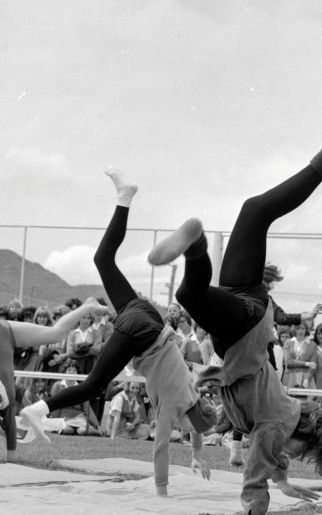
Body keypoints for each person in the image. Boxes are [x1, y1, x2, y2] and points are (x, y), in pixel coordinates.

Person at [144, 103, 322, 515]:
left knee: (254, 210)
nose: (289, 456)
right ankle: (197, 245)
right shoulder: (277, 426)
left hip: (245, 309)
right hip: (245, 329)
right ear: (302, 438)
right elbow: (258, 468)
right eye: (299, 456)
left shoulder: (282, 418)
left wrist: (284, 480)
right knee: (187, 293)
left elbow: (272, 455)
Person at [18, 170, 218, 495]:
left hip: (145, 312)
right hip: (144, 333)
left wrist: (197, 455)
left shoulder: (191, 394)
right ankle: (38, 410)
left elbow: (197, 426)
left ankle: (124, 196)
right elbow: (162, 450)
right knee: (94, 385)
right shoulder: (174, 406)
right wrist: (163, 493)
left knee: (102, 259)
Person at [0, 215, 113, 463]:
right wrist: (11, 462)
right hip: (7, 336)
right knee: (54, 334)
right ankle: (87, 306)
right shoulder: (3, 407)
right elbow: (10, 432)